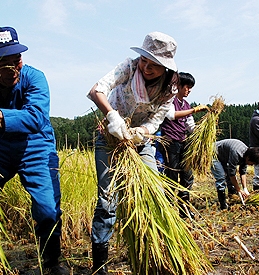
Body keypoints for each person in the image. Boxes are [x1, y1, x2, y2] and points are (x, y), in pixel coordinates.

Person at [0, 27, 68, 274]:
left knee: (47, 209)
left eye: (17, 59)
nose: (13, 67)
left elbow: (35, 118)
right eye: (3, 61)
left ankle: (52, 261)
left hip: (35, 144)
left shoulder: (34, 78)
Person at [87, 31, 179, 275]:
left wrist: (142, 131)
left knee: (154, 194)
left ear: (166, 69)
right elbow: (97, 90)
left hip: (140, 142)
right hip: (110, 139)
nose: (147, 68)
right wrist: (112, 116)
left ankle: (151, 254)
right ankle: (100, 266)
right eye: (144, 61)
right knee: (108, 200)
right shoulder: (128, 68)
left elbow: (157, 119)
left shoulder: (169, 88)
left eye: (155, 65)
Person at [159, 72, 208, 218]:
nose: (189, 90)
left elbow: (190, 126)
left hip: (183, 143)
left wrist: (204, 127)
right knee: (172, 177)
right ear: (178, 86)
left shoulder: (186, 105)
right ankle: (168, 211)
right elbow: (172, 115)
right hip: (170, 142)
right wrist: (195, 110)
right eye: (187, 86)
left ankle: (184, 209)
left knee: (187, 177)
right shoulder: (169, 101)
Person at [211, 139, 259, 210]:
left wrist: (245, 189)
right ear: (248, 158)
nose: (251, 165)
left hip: (224, 156)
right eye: (252, 163)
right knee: (221, 177)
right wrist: (239, 190)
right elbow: (232, 174)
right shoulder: (236, 153)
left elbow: (242, 173)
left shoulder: (246, 154)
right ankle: (223, 204)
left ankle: (231, 194)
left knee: (229, 178)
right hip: (214, 154)